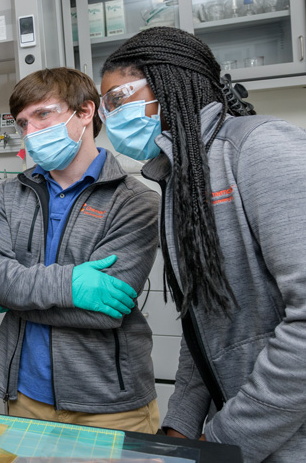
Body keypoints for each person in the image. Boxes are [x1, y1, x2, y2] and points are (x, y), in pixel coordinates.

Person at [100, 26, 306, 462]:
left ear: (170, 84)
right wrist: (180, 428)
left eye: (118, 99)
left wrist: (222, 440)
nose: (110, 117)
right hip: (245, 433)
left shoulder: (260, 146)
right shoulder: (181, 179)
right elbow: (206, 328)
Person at [0, 67, 160, 433]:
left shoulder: (135, 202)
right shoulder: (11, 194)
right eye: (23, 123)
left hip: (108, 403)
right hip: (24, 395)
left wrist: (15, 299)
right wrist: (70, 286)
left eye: (43, 114)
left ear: (86, 112)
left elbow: (105, 315)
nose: (31, 131)